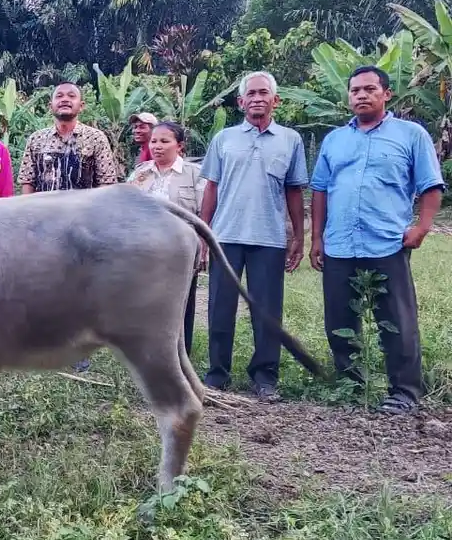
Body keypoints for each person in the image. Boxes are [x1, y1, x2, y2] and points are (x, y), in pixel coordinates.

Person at [310, 65, 445, 414]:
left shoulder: (411, 135)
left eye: (370, 89)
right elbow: (320, 190)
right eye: (355, 90)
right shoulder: (334, 140)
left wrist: (422, 227)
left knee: (397, 321)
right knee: (340, 321)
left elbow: (431, 186)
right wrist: (317, 238)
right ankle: (351, 387)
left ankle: (404, 392)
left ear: (386, 94)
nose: (362, 95)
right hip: (340, 244)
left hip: (387, 243)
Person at [200, 71, 308, 401]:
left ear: (276, 100)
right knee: (220, 308)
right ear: (241, 101)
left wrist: (299, 237)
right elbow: (211, 188)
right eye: (251, 94)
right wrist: (203, 233)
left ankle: (265, 377)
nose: (257, 98)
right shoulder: (224, 139)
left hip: (269, 238)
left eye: (264, 93)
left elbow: (294, 191)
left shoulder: (291, 140)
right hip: (225, 236)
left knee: (267, 312)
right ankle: (217, 374)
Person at [18, 81, 118, 371]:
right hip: (45, 226)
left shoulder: (95, 139)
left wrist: (99, 226)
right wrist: (28, 221)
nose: (65, 99)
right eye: (59, 96)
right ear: (50, 105)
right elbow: (27, 181)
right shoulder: (37, 140)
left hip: (82, 227)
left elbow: (107, 184)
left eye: (71, 96)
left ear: (81, 105)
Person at [126, 121, 206, 354]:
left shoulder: (195, 174)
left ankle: (180, 352)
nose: (157, 146)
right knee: (147, 299)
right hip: (145, 248)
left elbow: (204, 212)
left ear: (179, 146)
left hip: (181, 248)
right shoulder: (141, 173)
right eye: (154, 141)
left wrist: (203, 245)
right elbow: (126, 209)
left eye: (164, 141)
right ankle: (147, 351)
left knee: (181, 302)